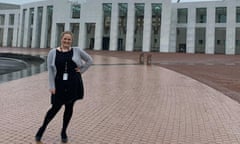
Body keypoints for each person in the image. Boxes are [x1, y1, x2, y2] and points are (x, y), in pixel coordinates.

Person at [35, 31, 93, 143]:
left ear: (72, 41)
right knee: (54, 108)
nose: (67, 41)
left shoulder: (76, 50)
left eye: (69, 39)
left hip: (73, 83)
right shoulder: (52, 53)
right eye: (65, 39)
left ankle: (64, 131)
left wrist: (81, 70)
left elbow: (90, 60)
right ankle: (42, 128)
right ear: (61, 39)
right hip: (59, 84)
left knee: (69, 108)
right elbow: (51, 71)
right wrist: (51, 86)